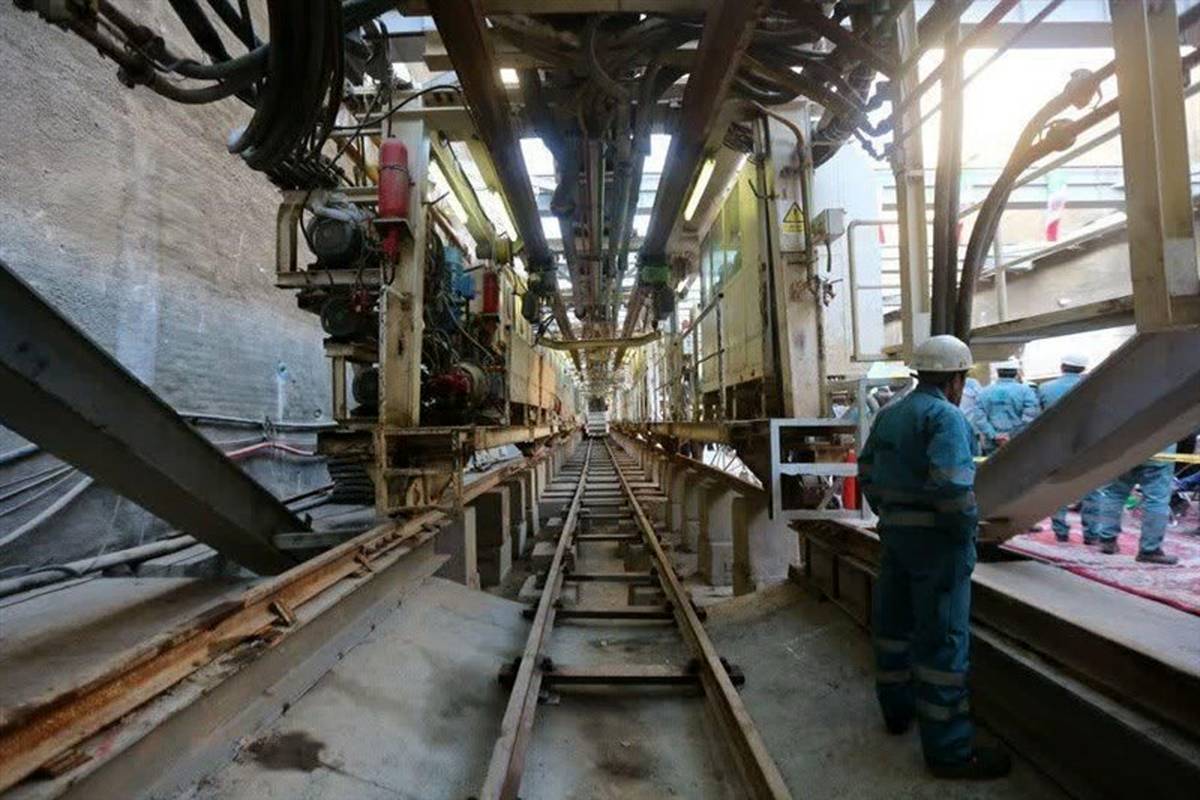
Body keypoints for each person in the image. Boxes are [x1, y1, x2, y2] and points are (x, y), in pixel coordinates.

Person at [859, 335, 1011, 780]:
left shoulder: (890, 414)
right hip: (937, 547)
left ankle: (896, 712)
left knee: (893, 628)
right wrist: (966, 532)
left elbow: (866, 470)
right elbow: (952, 488)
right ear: (956, 380)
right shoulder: (946, 418)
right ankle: (949, 751)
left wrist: (891, 514)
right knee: (943, 643)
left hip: (896, 540)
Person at [1036, 354, 1103, 543]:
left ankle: (1060, 531)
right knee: (1091, 488)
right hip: (1087, 445)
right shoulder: (1094, 387)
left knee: (1057, 487)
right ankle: (1091, 534)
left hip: (1055, 446)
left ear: (1062, 366)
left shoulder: (1045, 388)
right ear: (1083, 369)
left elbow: (1038, 419)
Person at [1096, 448, 1179, 564]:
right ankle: (1150, 550)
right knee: (1156, 501)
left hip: (1124, 449)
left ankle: (1107, 540)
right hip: (1159, 453)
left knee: (1114, 494)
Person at [968, 359, 1040, 454]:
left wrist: (994, 435)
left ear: (998, 373)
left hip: (993, 445)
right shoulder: (1026, 391)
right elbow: (1030, 416)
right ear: (1016, 373)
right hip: (1019, 443)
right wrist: (1013, 435)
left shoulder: (984, 392)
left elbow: (979, 418)